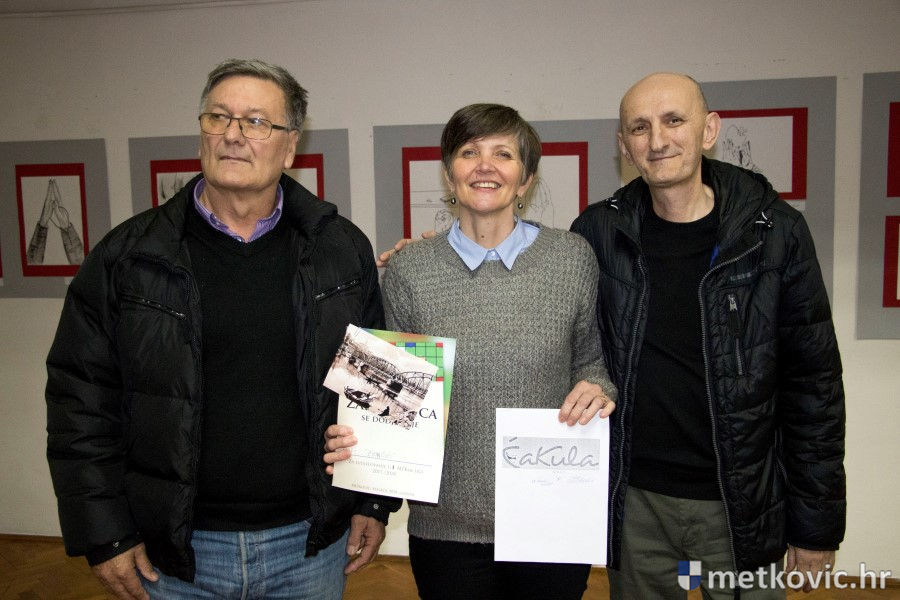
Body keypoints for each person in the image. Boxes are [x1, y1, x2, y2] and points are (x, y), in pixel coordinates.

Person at [45, 58, 398, 600]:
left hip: (308, 547)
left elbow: (378, 388)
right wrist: (104, 533)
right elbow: (79, 399)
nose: (233, 134)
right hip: (174, 555)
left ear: (290, 146)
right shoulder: (128, 257)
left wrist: (373, 501)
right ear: (202, 133)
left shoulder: (340, 250)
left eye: (256, 121)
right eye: (218, 117)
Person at [569, 72, 846, 598]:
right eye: (640, 127)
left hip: (741, 505)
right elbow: (545, 303)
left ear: (709, 129)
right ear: (624, 144)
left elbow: (815, 388)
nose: (657, 140)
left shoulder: (775, 232)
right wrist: (433, 250)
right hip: (636, 506)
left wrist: (815, 527)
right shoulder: (597, 233)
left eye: (674, 120)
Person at [325, 103, 617, 600]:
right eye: (469, 153)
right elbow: (391, 402)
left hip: (550, 519)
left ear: (526, 179)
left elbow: (591, 361)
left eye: (503, 154)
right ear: (449, 175)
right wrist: (369, 489)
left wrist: (599, 388)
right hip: (446, 527)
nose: (485, 166)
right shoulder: (410, 269)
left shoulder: (571, 258)